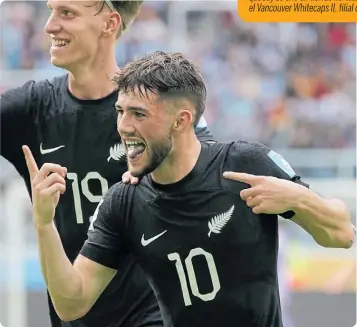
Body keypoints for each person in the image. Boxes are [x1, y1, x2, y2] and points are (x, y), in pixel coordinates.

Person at [23, 51, 354, 327]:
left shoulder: (245, 164)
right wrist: (43, 223)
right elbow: (71, 303)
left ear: (181, 121)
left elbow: (341, 233)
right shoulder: (124, 202)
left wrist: (295, 198)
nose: (123, 126)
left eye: (138, 114)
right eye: (120, 111)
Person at [0, 2, 214, 327]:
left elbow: (213, 183)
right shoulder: (32, 109)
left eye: (67, 13)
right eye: (51, 11)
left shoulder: (157, 106)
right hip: (73, 311)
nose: (49, 26)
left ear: (109, 23)